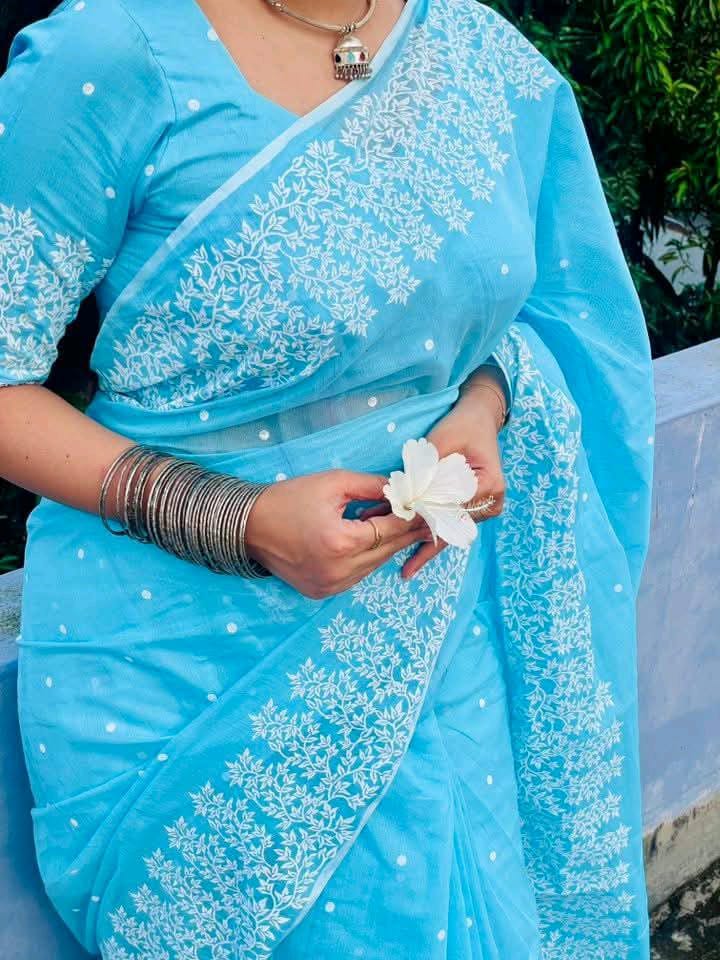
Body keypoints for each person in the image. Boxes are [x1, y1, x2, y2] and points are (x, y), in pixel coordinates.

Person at [0, 0, 656, 956]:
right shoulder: (113, 50)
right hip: (195, 665)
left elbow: (537, 310)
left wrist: (483, 403)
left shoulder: (477, 51)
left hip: (445, 619)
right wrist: (236, 518)